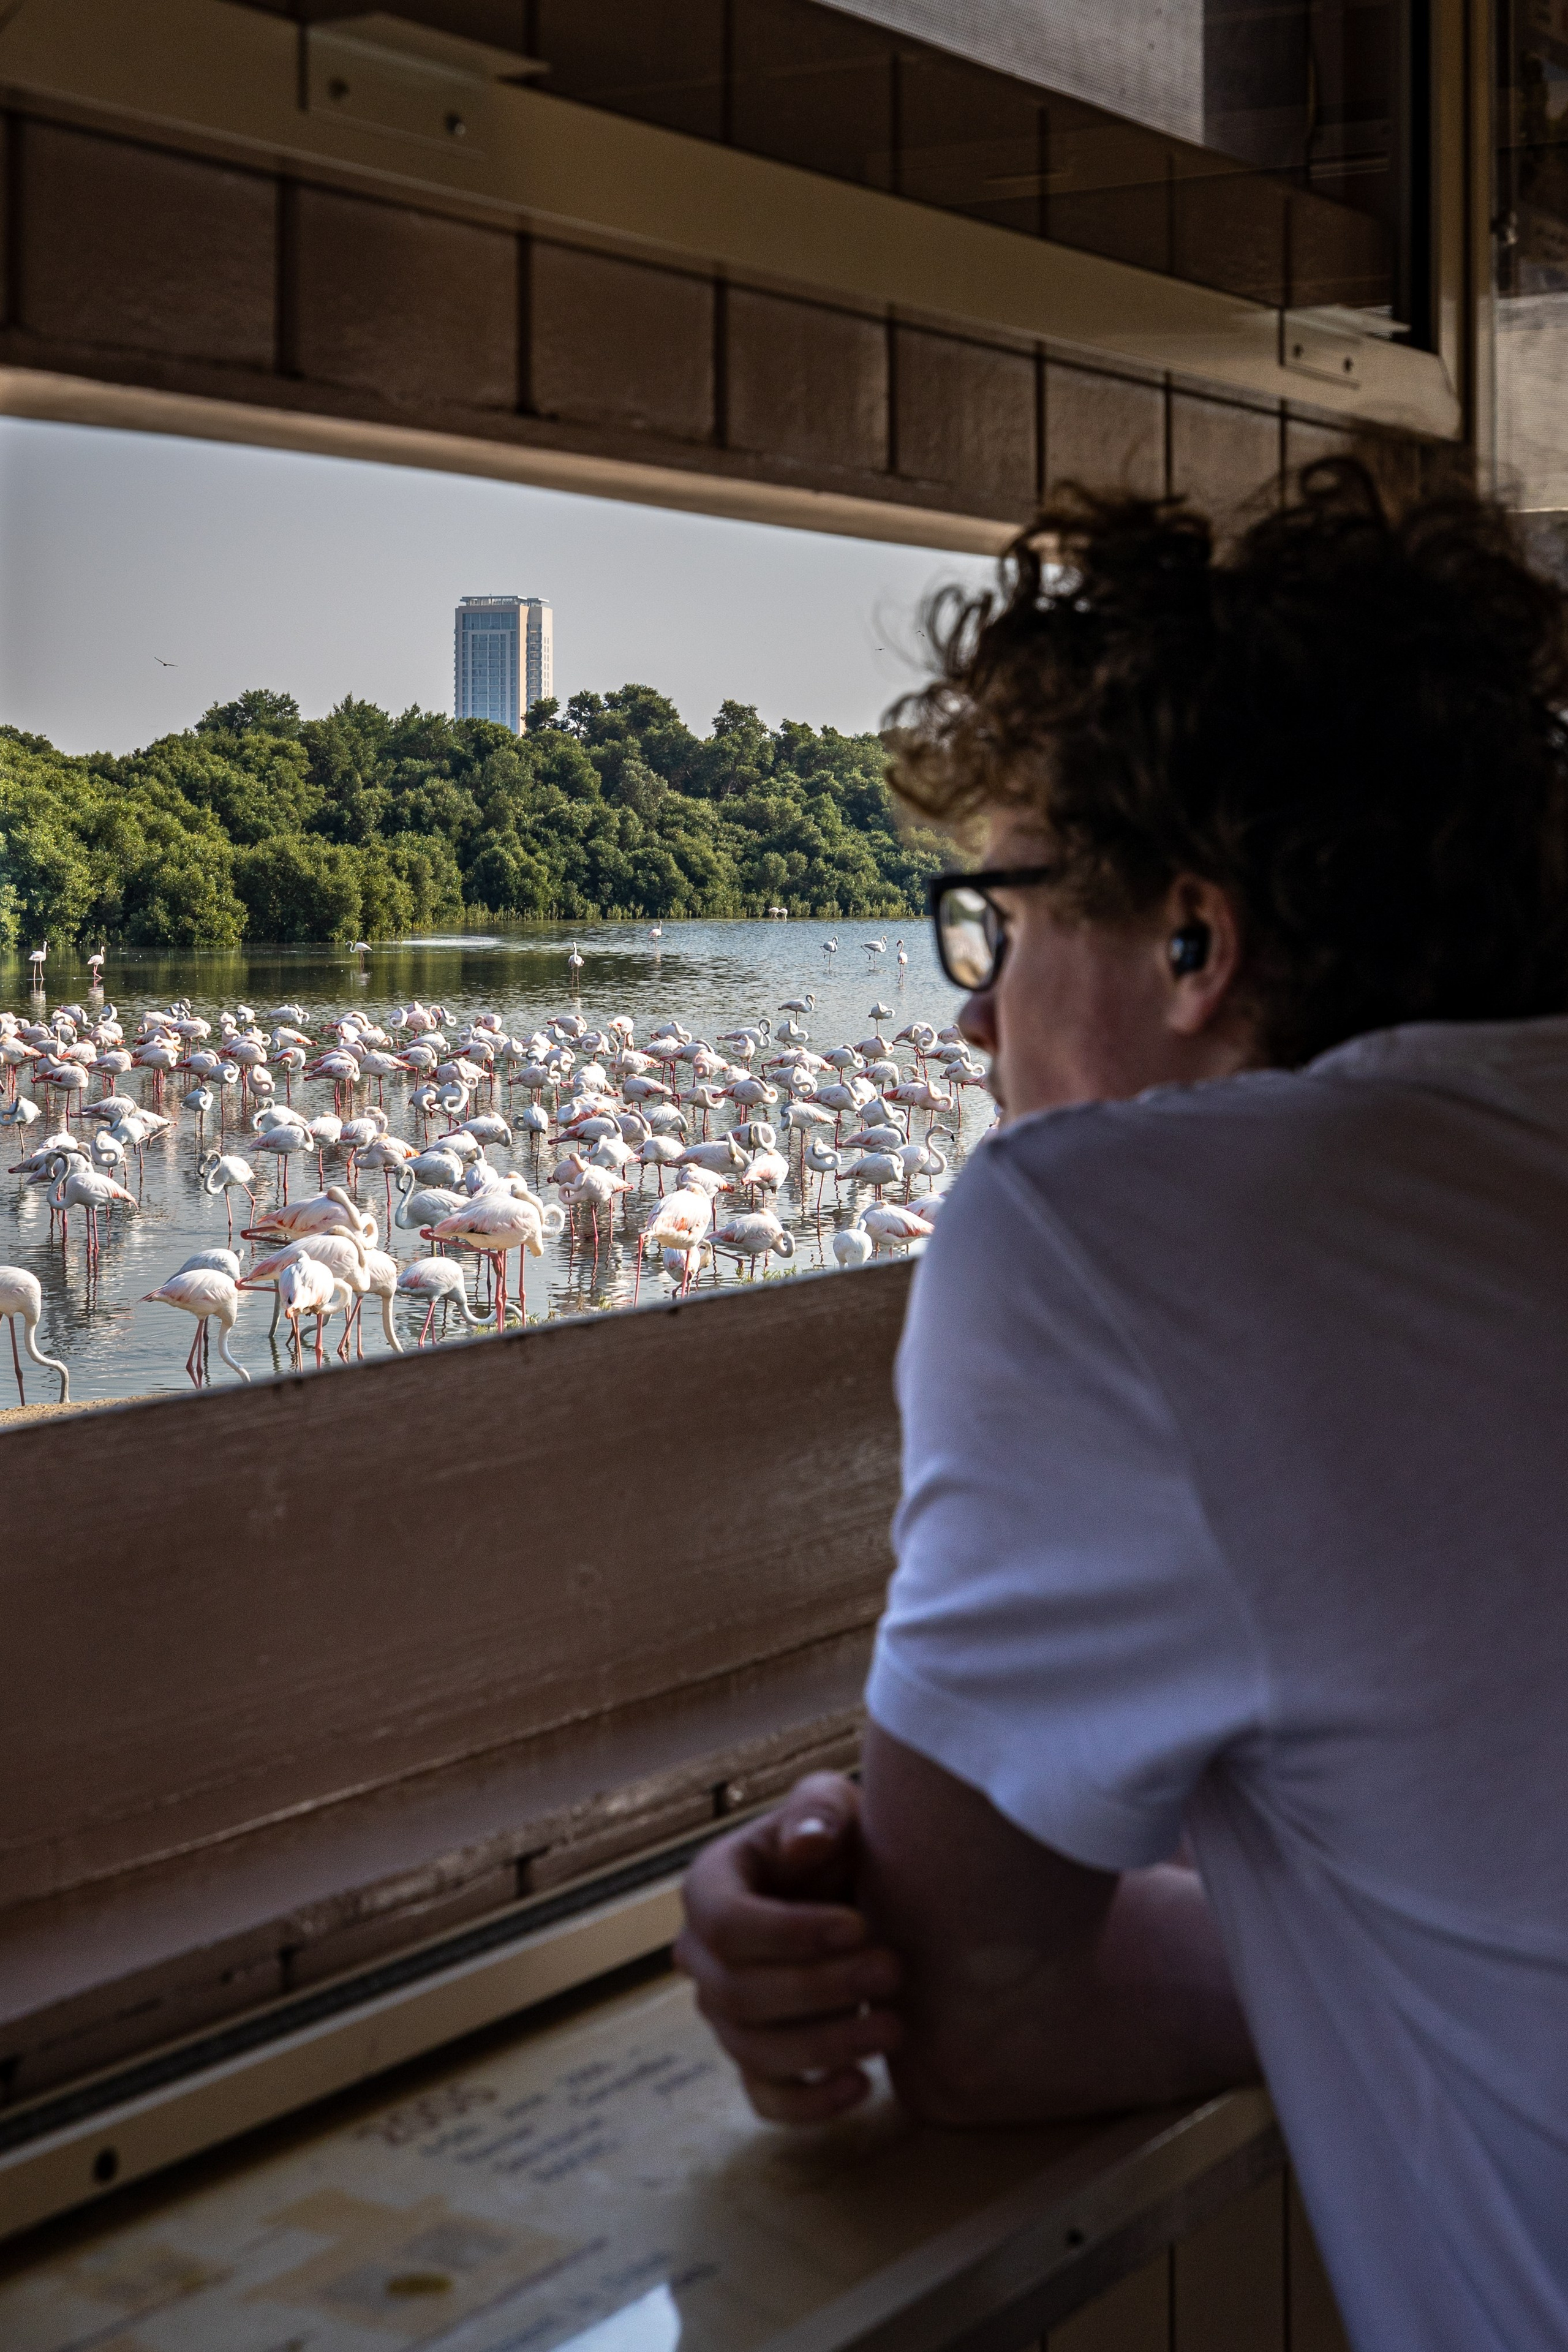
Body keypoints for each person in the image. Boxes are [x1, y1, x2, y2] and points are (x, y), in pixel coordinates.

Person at [676, 462, 1568, 2352]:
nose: (967, 1024)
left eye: (996, 924)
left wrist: (869, 1904)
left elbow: (981, 2018)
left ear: (1192, 940)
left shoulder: (1108, 1230)